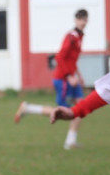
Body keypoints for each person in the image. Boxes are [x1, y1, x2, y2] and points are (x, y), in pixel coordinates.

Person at [14, 9, 88, 149]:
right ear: (75, 20)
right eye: (80, 19)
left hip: (71, 79)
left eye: (85, 19)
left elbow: (72, 60)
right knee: (64, 112)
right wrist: (69, 76)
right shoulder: (71, 37)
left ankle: (70, 141)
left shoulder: (79, 37)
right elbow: (59, 57)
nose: (83, 22)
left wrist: (79, 75)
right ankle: (28, 108)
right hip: (63, 79)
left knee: (81, 108)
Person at [51, 55, 110, 123]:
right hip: (62, 80)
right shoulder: (69, 43)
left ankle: (72, 135)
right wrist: (74, 111)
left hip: (70, 80)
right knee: (64, 106)